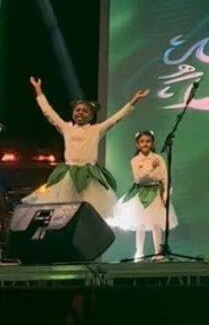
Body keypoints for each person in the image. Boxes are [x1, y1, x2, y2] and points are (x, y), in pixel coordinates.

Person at [23, 77, 149, 220]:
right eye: (78, 110)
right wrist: (38, 89)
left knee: (89, 213)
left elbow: (116, 118)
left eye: (85, 111)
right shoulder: (66, 128)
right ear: (73, 113)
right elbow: (48, 112)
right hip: (69, 174)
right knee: (64, 212)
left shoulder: (96, 129)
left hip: (89, 176)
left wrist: (134, 100)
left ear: (91, 116)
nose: (80, 113)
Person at [110, 130, 177, 260]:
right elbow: (139, 178)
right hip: (141, 193)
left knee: (156, 224)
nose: (145, 144)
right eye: (142, 141)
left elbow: (165, 178)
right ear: (137, 144)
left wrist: (166, 195)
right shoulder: (135, 160)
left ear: (152, 143)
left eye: (148, 141)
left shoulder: (158, 159)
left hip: (156, 193)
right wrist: (151, 167)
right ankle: (139, 252)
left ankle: (158, 252)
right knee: (140, 223)